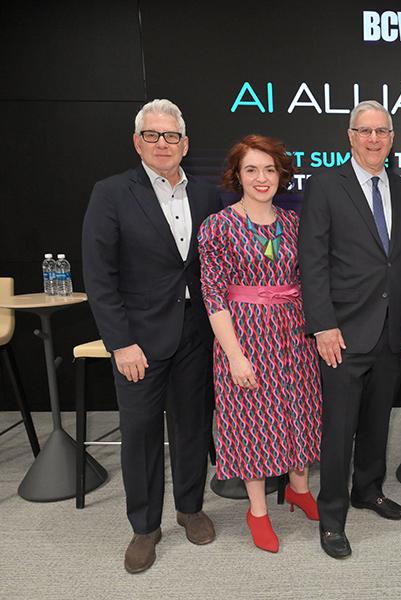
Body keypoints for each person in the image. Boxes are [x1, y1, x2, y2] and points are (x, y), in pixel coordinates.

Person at [82, 99, 219, 573]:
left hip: (196, 336)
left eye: (172, 136)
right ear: (137, 141)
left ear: (186, 143)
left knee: (192, 427)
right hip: (138, 341)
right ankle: (145, 527)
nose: (164, 144)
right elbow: (99, 277)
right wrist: (120, 342)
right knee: (140, 435)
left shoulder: (205, 196)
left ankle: (189, 507)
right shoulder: (112, 193)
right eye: (153, 135)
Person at [300, 100, 401, 559]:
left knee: (377, 421)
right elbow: (311, 261)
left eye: (382, 131)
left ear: (392, 139)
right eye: (365, 131)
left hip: (393, 331)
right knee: (339, 429)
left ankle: (367, 490)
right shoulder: (324, 186)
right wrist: (323, 326)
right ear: (350, 137)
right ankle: (331, 516)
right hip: (343, 333)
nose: (374, 139)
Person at [197, 134, 322, 553]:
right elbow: (213, 296)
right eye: (251, 169)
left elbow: (309, 280)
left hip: (294, 332)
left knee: (300, 411)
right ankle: (258, 511)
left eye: (269, 169)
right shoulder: (217, 226)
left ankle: (299, 490)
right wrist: (234, 355)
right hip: (245, 335)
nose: (261, 177)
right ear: (237, 175)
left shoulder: (295, 223)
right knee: (254, 422)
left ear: (281, 174)